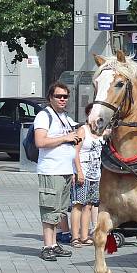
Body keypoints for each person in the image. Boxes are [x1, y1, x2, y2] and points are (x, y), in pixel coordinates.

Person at [34, 82, 80, 261]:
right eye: (58, 96)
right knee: (49, 209)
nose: (62, 99)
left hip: (66, 170)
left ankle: (54, 243)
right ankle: (47, 246)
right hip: (51, 170)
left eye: (65, 96)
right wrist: (65, 138)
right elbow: (40, 142)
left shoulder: (65, 117)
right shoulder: (44, 116)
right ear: (50, 98)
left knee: (60, 211)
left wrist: (75, 169)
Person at [70, 103, 107, 248]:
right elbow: (75, 152)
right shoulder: (82, 130)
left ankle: (85, 236)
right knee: (78, 204)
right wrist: (79, 171)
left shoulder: (100, 132)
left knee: (89, 206)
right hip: (83, 172)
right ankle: (75, 237)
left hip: (95, 174)